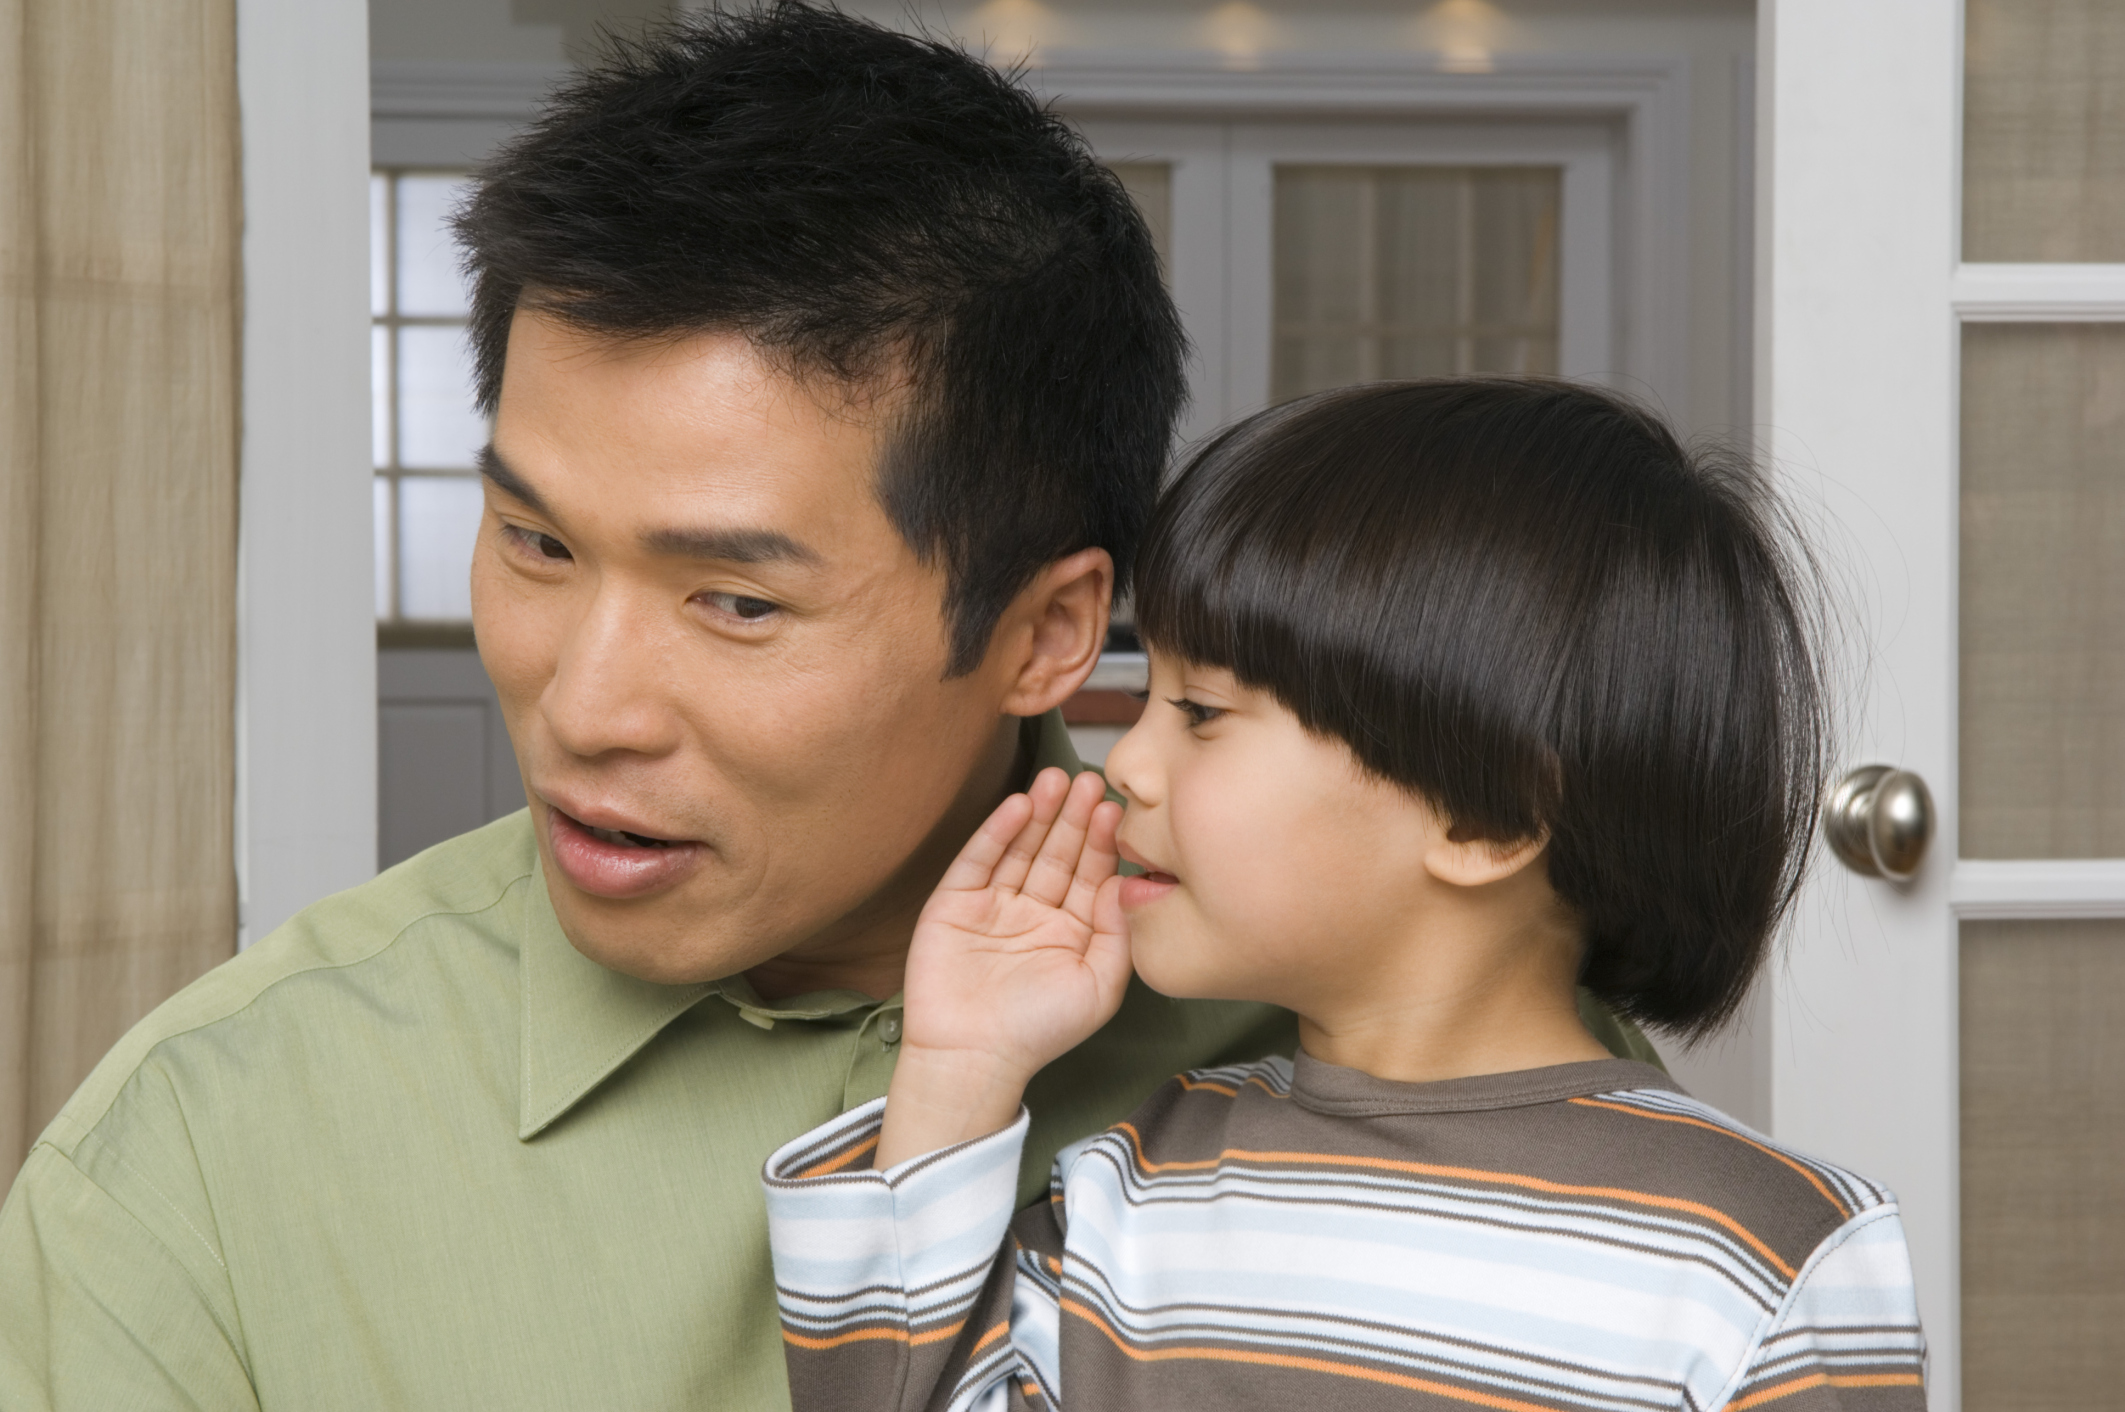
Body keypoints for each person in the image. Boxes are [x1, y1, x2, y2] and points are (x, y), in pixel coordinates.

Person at [0, 8, 1652, 1409]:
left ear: (1047, 631)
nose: (585, 705)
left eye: (737, 601)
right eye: (536, 543)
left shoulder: (1441, 1045)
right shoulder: (205, 1156)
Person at [763, 379, 1929, 1411]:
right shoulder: (1126, 1187)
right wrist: (959, 1067)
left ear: (1486, 818)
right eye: (1144, 687)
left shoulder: (1756, 1250)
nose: (1122, 763)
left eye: (1203, 711)